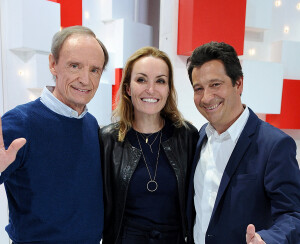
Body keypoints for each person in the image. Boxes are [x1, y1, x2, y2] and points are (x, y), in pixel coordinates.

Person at [0, 25, 109, 244]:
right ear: (53, 64)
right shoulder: (20, 122)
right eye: (74, 66)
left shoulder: (91, 124)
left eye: (94, 70)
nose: (85, 80)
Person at [186, 41, 300, 244]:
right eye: (198, 88)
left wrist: (267, 239)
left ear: (238, 84)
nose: (206, 97)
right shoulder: (200, 135)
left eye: (215, 85)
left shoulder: (275, 145)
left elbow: (293, 215)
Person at [99, 46, 199, 244]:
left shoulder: (187, 136)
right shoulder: (107, 139)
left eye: (160, 81)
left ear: (168, 88)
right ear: (128, 88)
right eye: (141, 79)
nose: (151, 89)